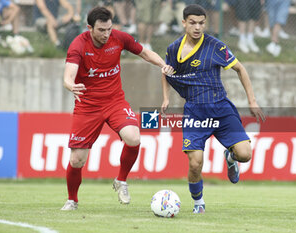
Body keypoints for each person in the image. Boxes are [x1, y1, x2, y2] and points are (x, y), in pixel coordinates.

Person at [61, 6, 173, 211]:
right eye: (101, 30)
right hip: (87, 106)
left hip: (114, 101)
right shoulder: (78, 45)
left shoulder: (119, 38)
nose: (106, 34)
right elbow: (69, 74)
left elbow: (145, 53)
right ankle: (72, 200)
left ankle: (121, 180)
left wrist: (162, 64)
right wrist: (71, 85)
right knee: (77, 159)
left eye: (109, 29)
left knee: (134, 137)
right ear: (89, 28)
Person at [161, 4, 265, 214]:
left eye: (201, 23)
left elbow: (240, 69)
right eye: (193, 23)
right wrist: (165, 98)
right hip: (195, 112)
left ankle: (231, 157)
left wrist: (252, 100)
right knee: (195, 163)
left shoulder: (215, 46)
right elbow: (166, 71)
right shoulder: (174, 49)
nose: (197, 27)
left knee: (245, 154)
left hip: (221, 109)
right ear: (184, 23)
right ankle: (198, 202)